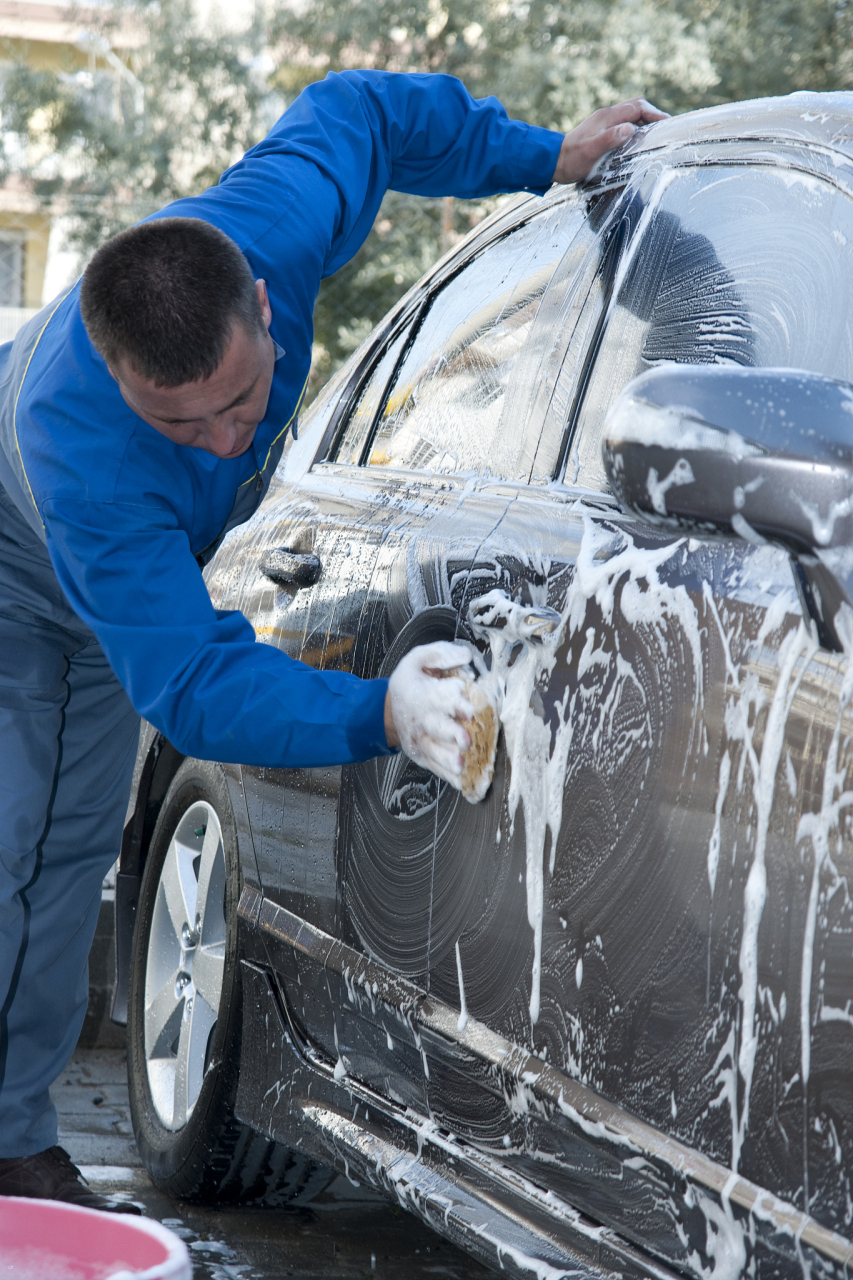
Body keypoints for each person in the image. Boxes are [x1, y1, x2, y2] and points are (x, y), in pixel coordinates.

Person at [0, 69, 666, 1211]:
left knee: (53, 860)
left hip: (124, 555)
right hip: (28, 585)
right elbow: (195, 683)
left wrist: (544, 152)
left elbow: (365, 110)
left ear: (263, 300)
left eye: (240, 399)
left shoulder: (278, 219)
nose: (219, 443)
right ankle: (13, 1146)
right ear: (118, 380)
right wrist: (377, 711)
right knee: (31, 849)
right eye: (180, 423)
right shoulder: (89, 452)